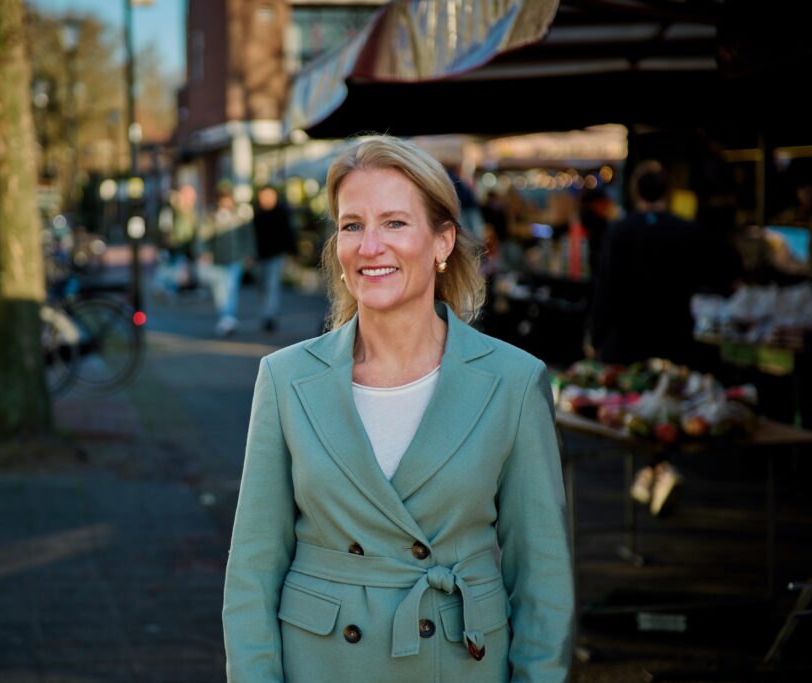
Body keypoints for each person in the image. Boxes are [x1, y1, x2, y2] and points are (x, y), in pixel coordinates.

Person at [223, 136, 573, 682]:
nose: (369, 246)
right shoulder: (287, 378)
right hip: (323, 663)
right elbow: (251, 571)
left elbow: (542, 580)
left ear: (442, 242)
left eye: (394, 223)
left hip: (459, 663)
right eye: (352, 225)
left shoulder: (514, 381)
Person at [590, 160, 705, 515]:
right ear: (666, 193)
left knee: (636, 407)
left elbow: (605, 286)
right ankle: (658, 469)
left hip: (629, 335)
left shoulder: (621, 231)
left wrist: (597, 334)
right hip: (675, 333)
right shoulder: (685, 230)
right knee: (666, 404)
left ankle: (651, 472)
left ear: (636, 192)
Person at [199, 185, 254, 336]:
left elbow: (247, 237)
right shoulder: (211, 216)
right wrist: (204, 252)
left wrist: (249, 254)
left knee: (231, 289)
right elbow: (204, 236)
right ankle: (226, 317)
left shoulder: (240, 217)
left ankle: (228, 318)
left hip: (235, 259)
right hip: (217, 259)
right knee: (220, 291)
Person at [252, 185, 296, 332]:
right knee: (262, 286)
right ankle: (265, 311)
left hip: (276, 255)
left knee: (272, 285)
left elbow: (288, 233)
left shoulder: (281, 213)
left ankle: (269, 315)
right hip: (259, 256)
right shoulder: (256, 214)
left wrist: (292, 252)